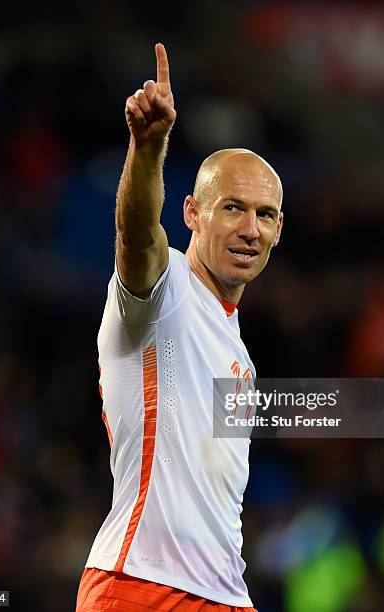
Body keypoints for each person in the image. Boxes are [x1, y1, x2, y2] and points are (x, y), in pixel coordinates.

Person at [76, 42, 283, 612]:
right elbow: (137, 235)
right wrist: (149, 148)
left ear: (279, 230)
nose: (249, 229)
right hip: (142, 585)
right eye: (232, 208)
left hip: (222, 593)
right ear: (192, 213)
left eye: (264, 215)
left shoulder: (236, 347)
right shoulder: (163, 290)